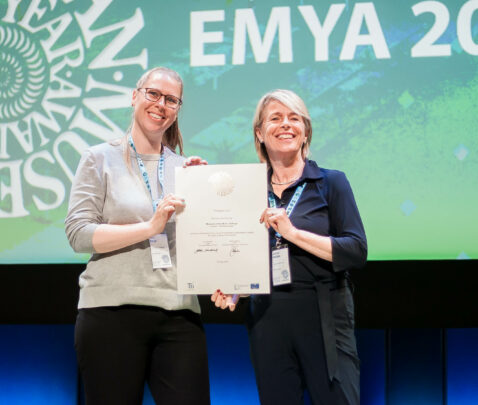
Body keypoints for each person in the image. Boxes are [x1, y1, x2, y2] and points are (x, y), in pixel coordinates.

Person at [212, 89, 367, 405]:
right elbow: (241, 252)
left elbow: (355, 250)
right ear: (259, 133)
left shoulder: (331, 182)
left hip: (324, 312)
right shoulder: (246, 190)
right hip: (268, 315)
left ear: (305, 131)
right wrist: (237, 288)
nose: (286, 124)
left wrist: (292, 233)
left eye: (294, 118)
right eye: (276, 118)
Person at [66, 67, 210, 405]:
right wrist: (149, 227)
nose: (161, 104)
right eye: (153, 94)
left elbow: (199, 243)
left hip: (179, 312)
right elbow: (78, 233)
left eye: (171, 100)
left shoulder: (187, 170)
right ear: (135, 96)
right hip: (110, 311)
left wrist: (206, 193)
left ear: (177, 109)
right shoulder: (99, 158)